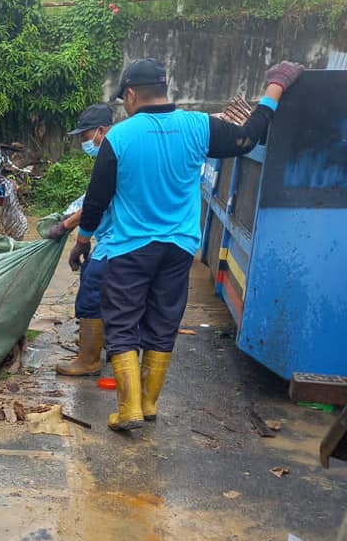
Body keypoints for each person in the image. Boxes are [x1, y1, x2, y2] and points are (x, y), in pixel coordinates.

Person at [74, 57, 303, 431]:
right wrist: (274, 87)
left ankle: (129, 406)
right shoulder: (199, 126)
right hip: (178, 246)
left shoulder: (119, 136)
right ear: (165, 88)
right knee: (163, 319)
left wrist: (82, 241)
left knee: (121, 321)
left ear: (130, 94)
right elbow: (248, 138)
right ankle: (148, 403)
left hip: (130, 247)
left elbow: (97, 198)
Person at [46, 104, 114, 376]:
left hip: (118, 240)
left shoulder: (114, 154)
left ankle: (89, 359)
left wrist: (67, 228)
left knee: (91, 289)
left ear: (101, 131)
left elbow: (96, 203)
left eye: (86, 136)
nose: (84, 142)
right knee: (104, 288)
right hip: (117, 237)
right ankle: (98, 342)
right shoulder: (117, 152)